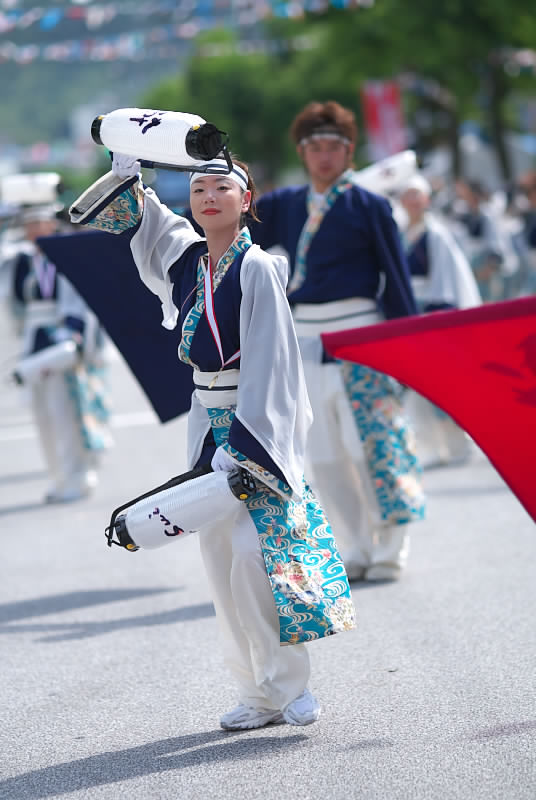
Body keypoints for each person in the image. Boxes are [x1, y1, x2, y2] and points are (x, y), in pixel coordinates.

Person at [68, 148, 356, 731]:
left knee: (259, 557)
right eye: (198, 188)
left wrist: (252, 447)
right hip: (209, 423)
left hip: (258, 428)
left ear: (245, 201)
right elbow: (137, 220)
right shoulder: (188, 260)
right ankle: (255, 693)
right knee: (220, 558)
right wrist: (129, 168)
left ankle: (288, 685)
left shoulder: (260, 268)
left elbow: (274, 364)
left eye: (221, 188)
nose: (207, 196)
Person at [246, 100, 426, 583]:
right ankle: (355, 545)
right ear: (303, 153)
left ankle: (392, 544)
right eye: (315, 147)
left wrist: (405, 349)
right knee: (322, 453)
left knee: (370, 444)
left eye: (334, 147)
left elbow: (397, 279)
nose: (325, 156)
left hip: (362, 336)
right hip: (304, 341)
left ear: (349, 151)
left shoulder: (370, 204)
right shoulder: (282, 204)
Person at [10, 203, 111, 503]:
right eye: (29, 223)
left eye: (40, 221)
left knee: (67, 412)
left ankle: (77, 476)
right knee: (43, 416)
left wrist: (74, 335)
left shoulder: (66, 255)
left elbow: (80, 299)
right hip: (33, 342)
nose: (35, 229)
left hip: (62, 341)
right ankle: (58, 476)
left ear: (52, 224)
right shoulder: (20, 261)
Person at [398, 174, 481, 468]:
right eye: (407, 195)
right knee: (419, 385)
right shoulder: (402, 232)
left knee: (445, 383)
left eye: (417, 195)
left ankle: (458, 444)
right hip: (413, 313)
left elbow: (447, 278)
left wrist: (439, 311)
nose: (412, 201)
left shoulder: (436, 234)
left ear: (426, 199)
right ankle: (434, 446)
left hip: (434, 314)